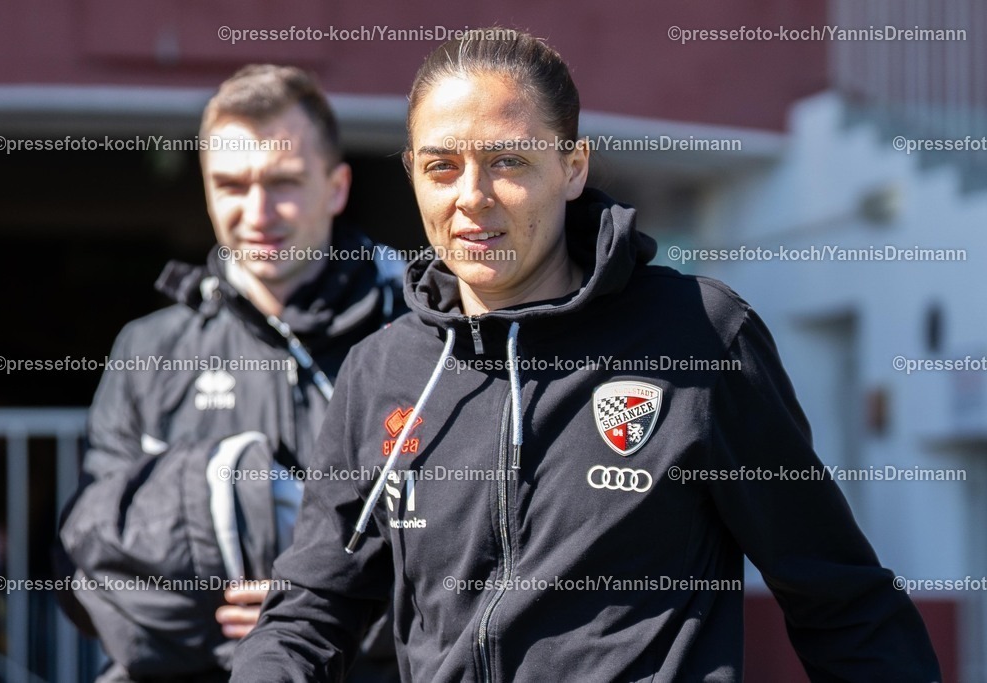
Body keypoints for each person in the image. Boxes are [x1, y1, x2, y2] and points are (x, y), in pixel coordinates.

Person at [231, 31, 942, 682]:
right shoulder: (382, 370)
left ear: (572, 167)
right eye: (442, 167)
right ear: (414, 172)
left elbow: (839, 596)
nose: (471, 198)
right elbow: (311, 609)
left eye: (508, 160)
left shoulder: (699, 335)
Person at [55, 65, 404, 682]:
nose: (258, 211)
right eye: (232, 185)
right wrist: (223, 613)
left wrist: (313, 611)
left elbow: (467, 548)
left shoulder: (411, 338)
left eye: (284, 182)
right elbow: (92, 562)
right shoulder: (150, 349)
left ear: (337, 187)